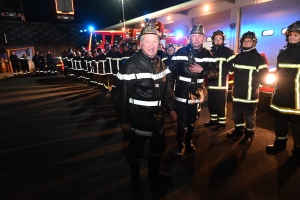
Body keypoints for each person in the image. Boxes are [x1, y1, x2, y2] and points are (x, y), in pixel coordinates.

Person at [114, 24, 177, 199]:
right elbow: (120, 97)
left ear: (159, 43)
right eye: (147, 41)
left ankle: (154, 175)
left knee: (158, 147)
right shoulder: (130, 65)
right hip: (137, 118)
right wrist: (124, 121)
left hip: (157, 118)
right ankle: (135, 179)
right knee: (135, 150)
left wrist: (170, 108)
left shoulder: (161, 63)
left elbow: (167, 89)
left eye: (154, 41)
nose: (151, 45)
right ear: (141, 43)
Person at [169, 23, 219, 156]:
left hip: (197, 92)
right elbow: (171, 73)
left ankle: (189, 141)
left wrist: (202, 70)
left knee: (192, 120)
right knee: (182, 121)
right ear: (190, 37)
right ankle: (181, 145)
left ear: (203, 38)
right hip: (181, 92)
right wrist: (170, 91)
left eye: (199, 36)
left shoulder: (207, 54)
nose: (196, 39)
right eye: (194, 36)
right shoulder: (180, 52)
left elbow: (215, 72)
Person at [266, 21, 300, 165]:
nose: (292, 38)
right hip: (281, 95)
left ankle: (298, 153)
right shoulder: (283, 53)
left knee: (297, 127)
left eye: (296, 35)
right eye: (290, 35)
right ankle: (280, 144)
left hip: (297, 98)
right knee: (279, 122)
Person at [225, 31, 268, 144]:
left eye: (249, 41)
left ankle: (249, 135)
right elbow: (230, 69)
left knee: (250, 117)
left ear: (254, 43)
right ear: (241, 42)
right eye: (245, 41)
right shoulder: (238, 57)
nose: (246, 43)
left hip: (250, 95)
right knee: (236, 114)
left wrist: (256, 87)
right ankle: (238, 131)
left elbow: (264, 76)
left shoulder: (259, 58)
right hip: (238, 94)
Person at [205, 30, 235, 131]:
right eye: (216, 39)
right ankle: (213, 120)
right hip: (211, 84)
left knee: (220, 104)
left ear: (223, 40)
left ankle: (221, 123)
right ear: (213, 40)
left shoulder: (228, 51)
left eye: (220, 39)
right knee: (211, 104)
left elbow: (232, 68)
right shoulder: (210, 52)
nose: (218, 41)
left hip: (221, 85)